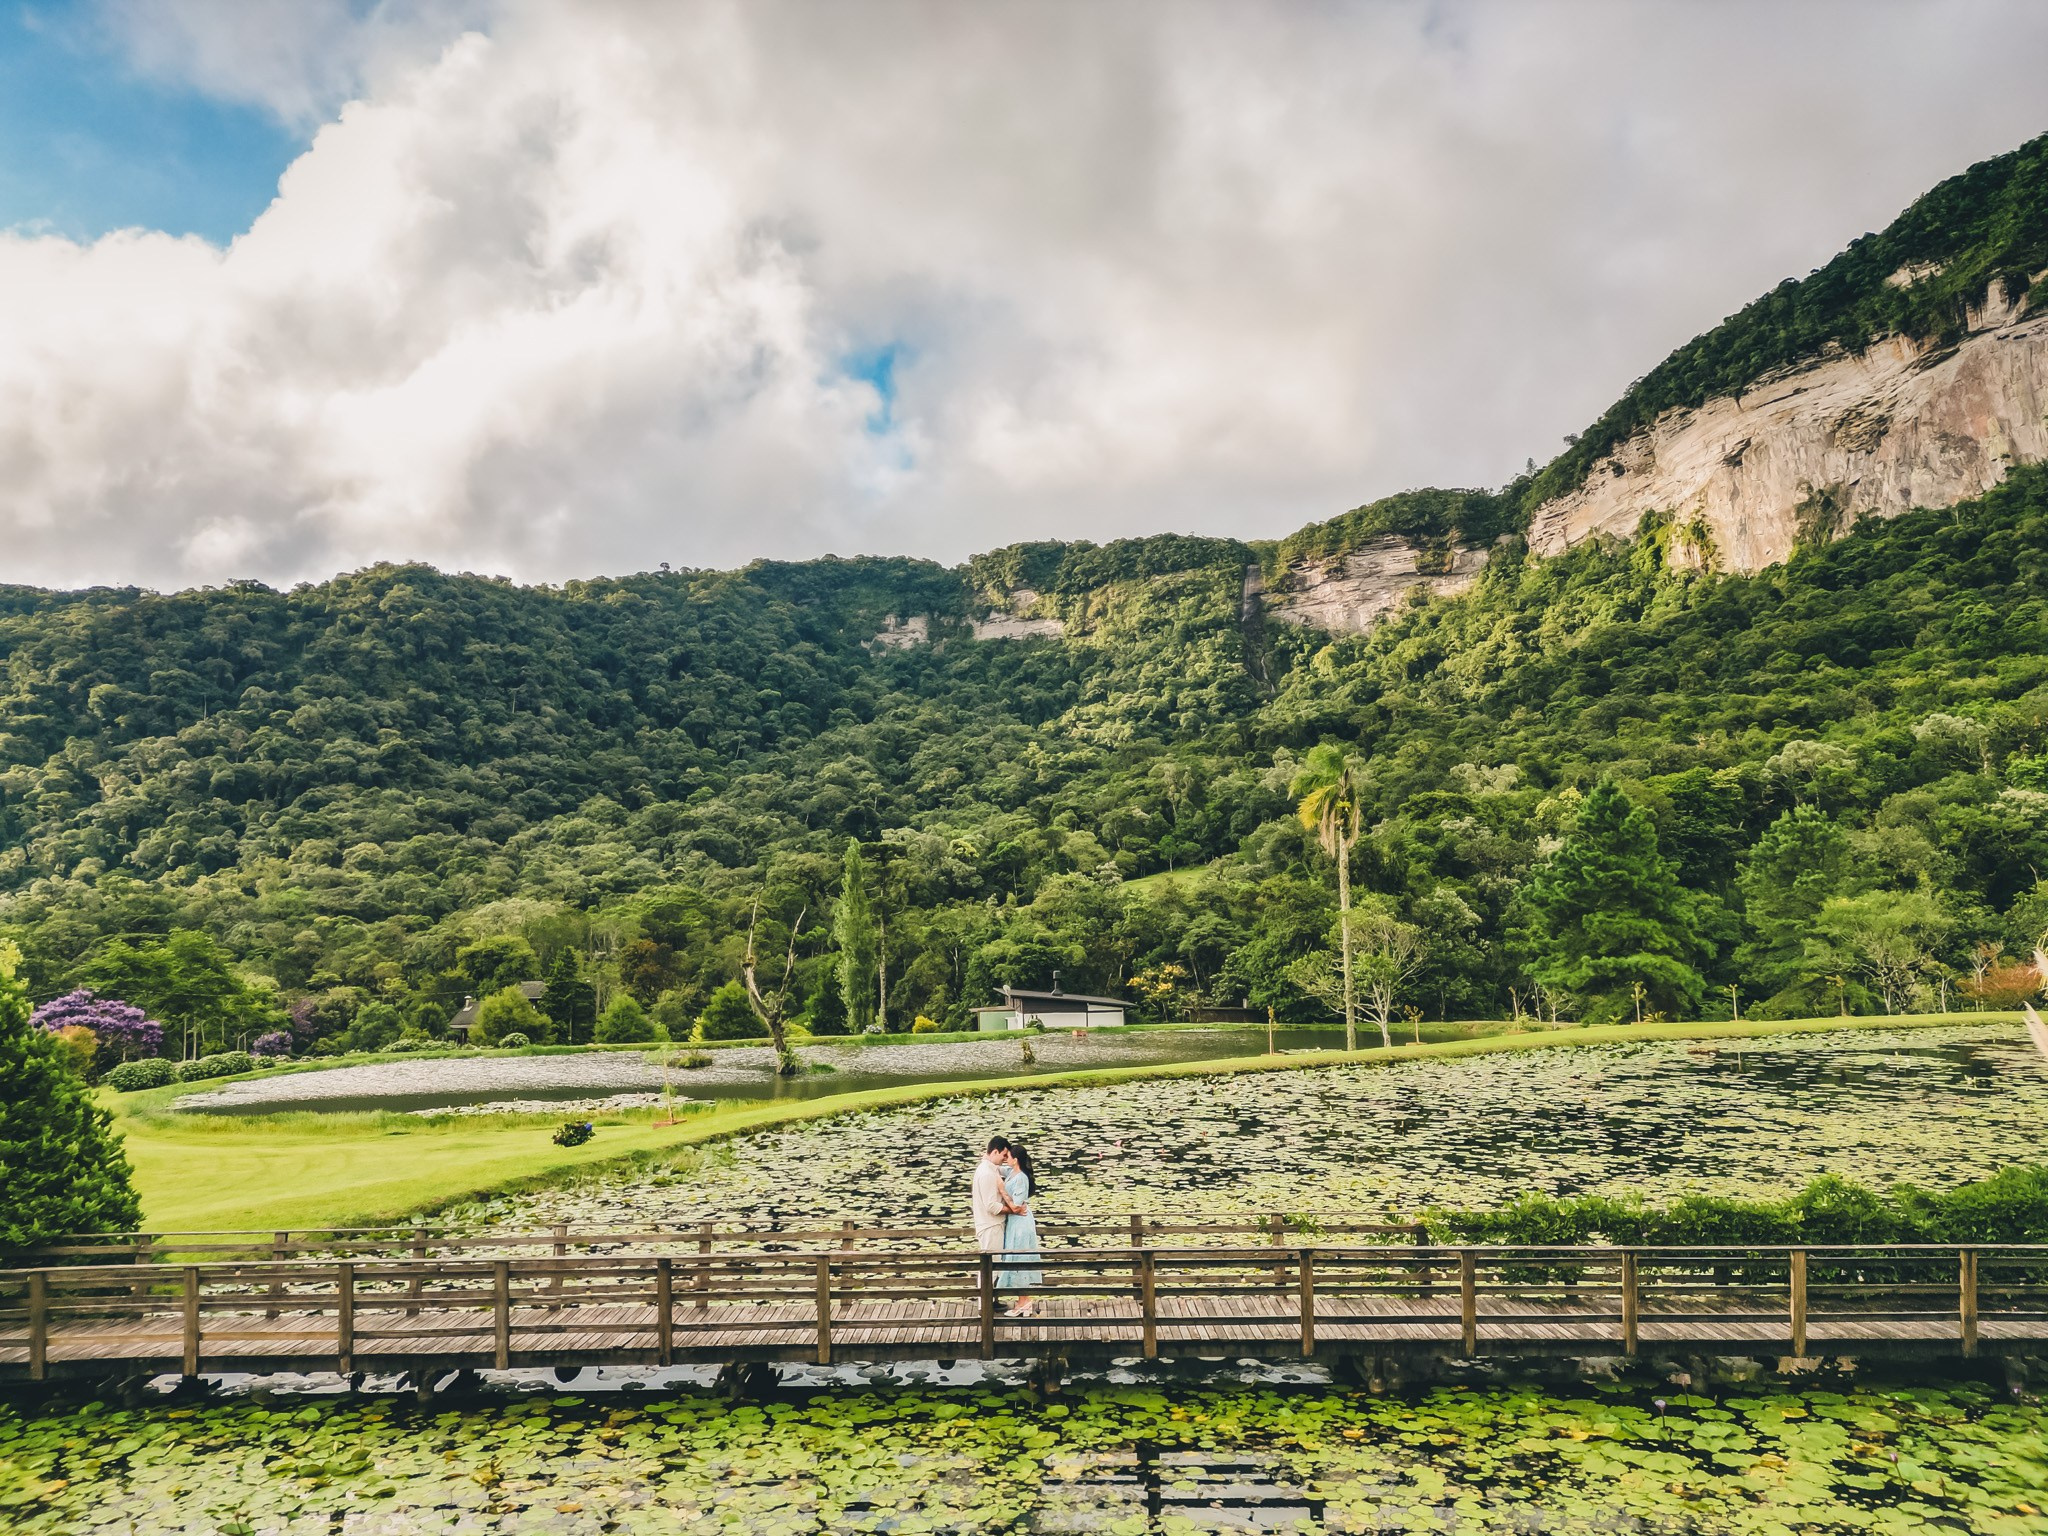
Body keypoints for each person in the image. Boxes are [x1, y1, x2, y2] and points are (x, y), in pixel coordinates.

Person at [998, 1141, 1043, 1318]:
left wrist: (1002, 1192)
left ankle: (1025, 1301)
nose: (1005, 1159)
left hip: (1021, 1223)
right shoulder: (1011, 1172)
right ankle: (1022, 1300)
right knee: (1014, 1257)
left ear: (1015, 1159)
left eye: (1007, 1156)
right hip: (1014, 1222)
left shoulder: (1021, 1178)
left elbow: (1017, 1206)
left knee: (1020, 1258)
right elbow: (998, 1170)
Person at [972, 1136, 1011, 1262]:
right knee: (992, 1267)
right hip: (991, 1226)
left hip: (990, 1225)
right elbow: (991, 1206)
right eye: (1004, 1155)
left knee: (991, 1266)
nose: (1005, 1159)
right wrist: (1013, 1210)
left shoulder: (987, 1168)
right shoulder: (987, 1173)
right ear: (995, 1152)